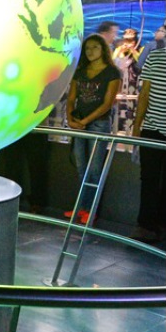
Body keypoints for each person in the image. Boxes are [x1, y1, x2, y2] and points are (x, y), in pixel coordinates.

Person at [65, 33, 122, 224]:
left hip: (98, 124)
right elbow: (71, 98)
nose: (90, 51)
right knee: (81, 167)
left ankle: (91, 210)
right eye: (87, 48)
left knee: (95, 169)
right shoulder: (80, 71)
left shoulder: (112, 73)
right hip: (79, 122)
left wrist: (85, 121)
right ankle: (81, 208)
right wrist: (71, 119)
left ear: (103, 49)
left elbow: (107, 104)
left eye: (95, 47)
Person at [131, 46, 165, 244]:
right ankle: (145, 226)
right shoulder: (155, 56)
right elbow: (145, 94)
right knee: (149, 178)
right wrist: (137, 127)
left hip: (153, 128)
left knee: (154, 180)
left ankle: (159, 225)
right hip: (151, 128)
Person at [112, 28, 142, 134]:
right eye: (126, 40)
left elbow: (141, 62)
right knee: (119, 103)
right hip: (120, 80)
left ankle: (130, 126)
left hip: (132, 80)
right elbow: (113, 62)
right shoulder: (119, 49)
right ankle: (117, 126)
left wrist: (133, 51)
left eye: (131, 40)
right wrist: (120, 51)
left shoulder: (140, 49)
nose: (128, 43)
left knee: (131, 103)